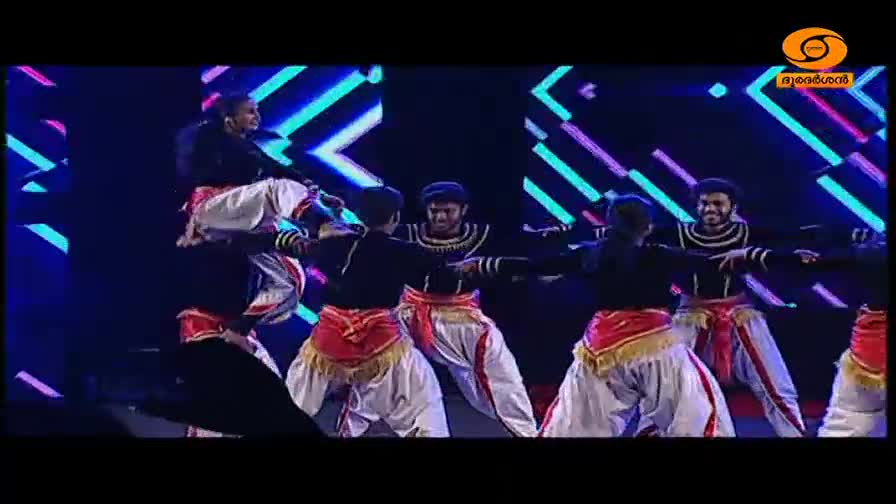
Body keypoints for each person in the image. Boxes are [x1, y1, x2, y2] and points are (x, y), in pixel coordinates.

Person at [532, 178, 879, 437]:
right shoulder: (677, 235)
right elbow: (614, 235)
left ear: (733, 207)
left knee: (777, 385)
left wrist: (857, 237)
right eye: (703, 204)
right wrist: (564, 235)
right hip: (688, 316)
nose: (710, 210)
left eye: (717, 204)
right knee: (668, 393)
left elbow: (801, 234)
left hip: (739, 315)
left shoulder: (747, 235)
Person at [495, 194, 782, 437]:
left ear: (609, 224)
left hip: (599, 350)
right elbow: (712, 265)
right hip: (656, 348)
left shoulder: (589, 254)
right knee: (700, 413)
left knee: (576, 423)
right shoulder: (658, 255)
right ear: (647, 226)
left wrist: (484, 264)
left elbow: (532, 266)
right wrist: (758, 256)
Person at [284, 186, 506, 438]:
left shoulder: (330, 243)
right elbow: (445, 281)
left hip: (327, 341)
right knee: (426, 401)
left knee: (293, 403)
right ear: (396, 218)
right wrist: (479, 269)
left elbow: (328, 234)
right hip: (381, 344)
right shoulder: (404, 251)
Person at [338, 181, 539, 437]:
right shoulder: (406, 234)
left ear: (463, 210)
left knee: (504, 379)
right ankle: (350, 431)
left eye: (448, 211)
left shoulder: (484, 235)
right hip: (408, 316)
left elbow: (525, 244)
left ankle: (528, 433)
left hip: (462, 319)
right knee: (378, 374)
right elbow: (368, 234)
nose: (440, 216)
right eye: (434, 211)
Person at [175, 93, 344, 328]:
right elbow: (274, 178)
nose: (257, 116)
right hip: (214, 210)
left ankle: (238, 328)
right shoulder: (208, 137)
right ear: (228, 118)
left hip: (241, 219)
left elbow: (279, 168)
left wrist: (322, 196)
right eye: (250, 111)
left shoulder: (248, 147)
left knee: (290, 281)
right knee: (276, 190)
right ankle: (323, 226)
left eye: (257, 110)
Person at [719, 239, 887, 437]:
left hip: (868, 358)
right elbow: (810, 259)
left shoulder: (874, 252)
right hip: (869, 354)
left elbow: (811, 260)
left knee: (846, 423)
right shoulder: (874, 251)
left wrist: (748, 254)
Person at [175, 227, 319, 437]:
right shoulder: (224, 230)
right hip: (206, 325)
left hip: (230, 324)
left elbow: (284, 284)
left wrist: (241, 327)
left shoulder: (255, 240)